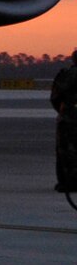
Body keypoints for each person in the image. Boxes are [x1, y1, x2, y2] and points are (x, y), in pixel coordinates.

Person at [53, 48, 77, 195]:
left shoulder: (67, 75)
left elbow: (55, 97)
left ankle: (68, 182)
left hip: (69, 119)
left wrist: (65, 112)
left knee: (66, 151)